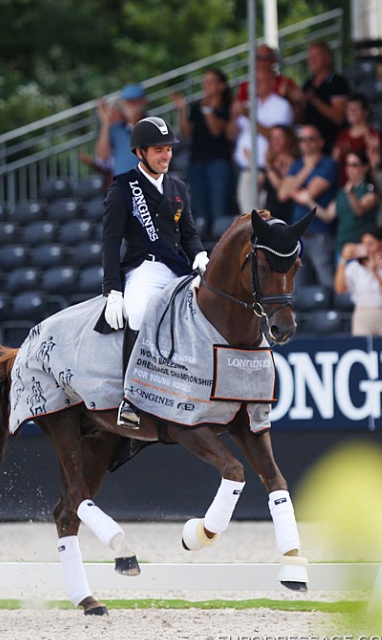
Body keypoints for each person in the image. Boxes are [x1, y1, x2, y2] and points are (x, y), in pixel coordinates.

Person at [100, 117, 208, 428]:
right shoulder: (123, 189)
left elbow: (188, 233)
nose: (166, 156)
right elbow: (109, 243)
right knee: (136, 315)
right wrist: (113, 291)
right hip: (144, 268)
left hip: (177, 268)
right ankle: (131, 399)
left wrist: (200, 254)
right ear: (140, 153)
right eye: (159, 150)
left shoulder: (178, 188)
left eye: (169, 150)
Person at [170, 68, 233, 234]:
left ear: (221, 86)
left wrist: (208, 111)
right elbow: (185, 134)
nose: (206, 86)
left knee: (219, 210)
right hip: (197, 163)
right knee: (200, 213)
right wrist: (183, 110)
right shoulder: (197, 107)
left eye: (210, 81)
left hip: (218, 164)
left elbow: (217, 130)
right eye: (205, 81)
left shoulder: (227, 107)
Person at [277, 124, 339, 288]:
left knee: (327, 282)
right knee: (297, 285)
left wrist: (295, 187)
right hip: (298, 236)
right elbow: (283, 193)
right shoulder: (298, 165)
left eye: (311, 139)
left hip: (320, 233)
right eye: (302, 139)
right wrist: (308, 168)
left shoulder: (328, 164)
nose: (306, 143)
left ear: (320, 142)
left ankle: (330, 314)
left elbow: (310, 193)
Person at [228, 67, 294, 214]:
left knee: (262, 216)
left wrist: (249, 116)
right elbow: (231, 135)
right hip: (246, 168)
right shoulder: (249, 104)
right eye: (254, 81)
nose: (256, 85)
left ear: (272, 82)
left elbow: (277, 136)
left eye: (261, 81)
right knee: (248, 216)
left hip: (269, 168)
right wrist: (234, 115)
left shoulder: (281, 105)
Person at [295, 150, 380, 255]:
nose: (350, 169)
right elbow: (328, 216)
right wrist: (309, 201)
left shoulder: (369, 190)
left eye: (354, 165)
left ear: (365, 167)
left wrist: (351, 194)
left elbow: (359, 211)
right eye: (348, 165)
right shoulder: (342, 191)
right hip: (342, 245)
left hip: (360, 245)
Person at [334, 229, 382, 336]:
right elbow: (340, 289)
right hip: (362, 314)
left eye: (370, 244)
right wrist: (343, 260)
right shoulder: (354, 267)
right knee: (360, 347)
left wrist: (375, 271)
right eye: (364, 244)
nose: (367, 248)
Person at [300, 42, 349, 154]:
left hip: (331, 143)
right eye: (310, 57)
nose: (312, 60)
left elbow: (338, 117)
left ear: (328, 58)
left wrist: (315, 101)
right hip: (310, 145)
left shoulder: (338, 83)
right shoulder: (307, 84)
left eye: (316, 56)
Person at [235, 44, 303, 120]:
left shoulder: (285, 83)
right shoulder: (245, 86)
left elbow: (299, 111)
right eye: (258, 58)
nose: (262, 62)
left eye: (266, 58)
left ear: (274, 60)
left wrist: (288, 98)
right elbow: (236, 111)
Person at [95, 83, 148, 178]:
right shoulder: (117, 128)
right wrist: (106, 123)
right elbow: (103, 156)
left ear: (144, 102)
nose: (131, 106)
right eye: (128, 102)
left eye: (135, 101)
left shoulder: (154, 124)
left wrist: (134, 122)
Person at [332, 93, 382, 187]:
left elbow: (376, 164)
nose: (351, 112)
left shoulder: (373, 135)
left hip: (365, 186)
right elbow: (334, 160)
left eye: (355, 109)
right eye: (349, 109)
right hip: (343, 185)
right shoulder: (343, 135)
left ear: (365, 112)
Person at [262, 125, 298, 223]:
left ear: (288, 139)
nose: (275, 142)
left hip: (287, 216)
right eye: (272, 138)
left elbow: (280, 189)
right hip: (270, 215)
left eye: (279, 137)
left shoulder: (294, 163)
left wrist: (268, 167)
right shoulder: (271, 163)